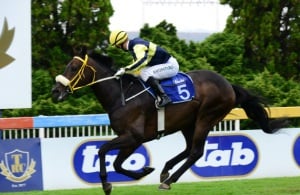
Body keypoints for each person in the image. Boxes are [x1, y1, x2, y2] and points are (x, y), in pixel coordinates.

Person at [109, 30, 179, 107]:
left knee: (146, 73)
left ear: (119, 44)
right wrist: (123, 73)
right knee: (140, 73)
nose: (118, 48)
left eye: (116, 46)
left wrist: (125, 69)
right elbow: (136, 69)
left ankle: (164, 97)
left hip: (170, 66)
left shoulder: (137, 46)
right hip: (163, 64)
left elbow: (142, 61)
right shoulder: (133, 46)